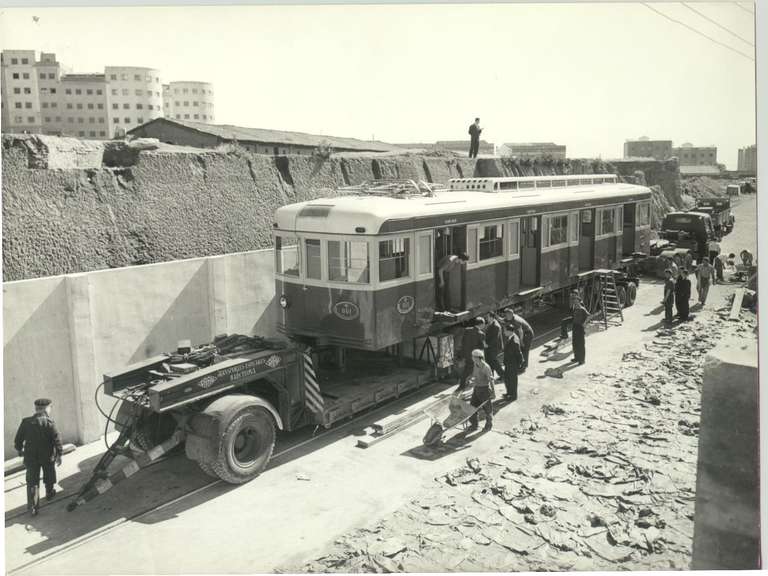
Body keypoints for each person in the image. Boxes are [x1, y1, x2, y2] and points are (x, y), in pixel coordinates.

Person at [14, 398, 63, 516]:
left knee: (32, 481)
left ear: (36, 409)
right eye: (50, 407)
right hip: (47, 456)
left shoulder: (26, 422)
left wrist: (20, 450)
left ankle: (33, 507)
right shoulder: (50, 423)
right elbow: (57, 440)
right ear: (46, 409)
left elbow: (18, 440)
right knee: (49, 474)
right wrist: (59, 455)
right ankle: (49, 493)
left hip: (31, 457)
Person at [466, 349, 494, 432]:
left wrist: (493, 392)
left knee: (487, 409)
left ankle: (489, 424)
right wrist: (469, 378)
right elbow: (474, 375)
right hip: (477, 389)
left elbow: (491, 380)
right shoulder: (475, 364)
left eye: (473, 357)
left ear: (478, 358)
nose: (472, 358)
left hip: (484, 390)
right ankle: (474, 425)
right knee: (472, 407)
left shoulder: (486, 367)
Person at [460, 318, 486, 388]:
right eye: (484, 324)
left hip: (466, 354)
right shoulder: (481, 334)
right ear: (480, 324)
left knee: (467, 369)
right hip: (474, 356)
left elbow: (463, 342)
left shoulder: (467, 330)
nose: (484, 325)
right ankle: (465, 385)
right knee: (473, 370)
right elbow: (483, 346)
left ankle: (463, 383)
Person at [502, 320, 523, 400]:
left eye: (505, 331)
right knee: (508, 379)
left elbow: (518, 353)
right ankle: (509, 393)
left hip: (512, 364)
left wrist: (519, 364)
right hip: (509, 363)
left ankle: (513, 396)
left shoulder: (514, 340)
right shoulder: (511, 337)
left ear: (509, 331)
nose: (504, 332)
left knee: (512, 380)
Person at [484, 313, 505, 379]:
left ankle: (503, 375)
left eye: (487, 317)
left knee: (493, 361)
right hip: (489, 346)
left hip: (494, 346)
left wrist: (487, 345)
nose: (486, 318)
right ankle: (491, 375)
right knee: (489, 361)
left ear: (492, 317)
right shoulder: (490, 324)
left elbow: (495, 339)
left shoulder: (496, 326)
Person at [570, 291, 589, 365]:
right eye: (574, 301)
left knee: (581, 344)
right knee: (575, 343)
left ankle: (582, 360)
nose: (575, 302)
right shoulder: (575, 309)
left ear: (579, 301)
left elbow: (589, 316)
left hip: (580, 328)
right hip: (575, 327)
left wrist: (584, 323)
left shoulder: (582, 309)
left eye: (576, 301)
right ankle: (576, 358)